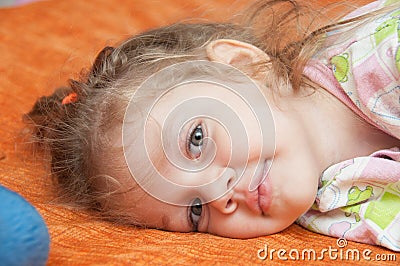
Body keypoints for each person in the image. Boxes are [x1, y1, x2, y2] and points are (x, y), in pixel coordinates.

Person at [25, 0, 400, 251]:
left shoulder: (384, 53)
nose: (221, 198)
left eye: (197, 140)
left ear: (242, 66)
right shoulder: (328, 210)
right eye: (194, 210)